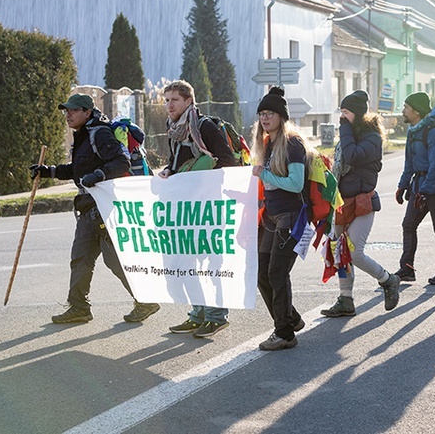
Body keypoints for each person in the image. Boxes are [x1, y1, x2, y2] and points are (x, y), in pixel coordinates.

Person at [29, 93, 160, 324]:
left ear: (87, 112)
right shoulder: (83, 135)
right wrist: (48, 171)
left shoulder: (99, 133)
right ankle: (79, 308)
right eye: (66, 110)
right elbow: (78, 168)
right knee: (80, 258)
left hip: (104, 209)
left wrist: (99, 175)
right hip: (88, 208)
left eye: (73, 110)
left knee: (115, 260)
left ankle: (146, 300)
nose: (67, 114)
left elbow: (121, 161)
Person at [159, 80, 238, 338]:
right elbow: (176, 162)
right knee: (185, 262)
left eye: (175, 100)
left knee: (212, 263)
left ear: (189, 102)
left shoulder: (205, 127)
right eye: (167, 99)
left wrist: (200, 175)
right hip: (185, 208)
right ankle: (198, 314)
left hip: (209, 206)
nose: (169, 105)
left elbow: (229, 161)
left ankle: (217, 316)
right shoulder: (173, 128)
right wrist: (170, 171)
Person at [320, 90, 400, 317]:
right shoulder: (350, 135)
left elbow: (353, 156)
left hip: (363, 203)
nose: (342, 117)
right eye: (341, 112)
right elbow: (341, 163)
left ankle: (388, 279)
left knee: (354, 252)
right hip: (342, 202)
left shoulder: (372, 137)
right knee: (339, 252)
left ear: (357, 114)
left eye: (346, 113)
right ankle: (345, 299)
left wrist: (345, 129)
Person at [251, 86, 308, 351]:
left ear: (281, 116)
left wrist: (263, 174)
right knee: (262, 273)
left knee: (276, 273)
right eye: (261, 113)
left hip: (291, 218)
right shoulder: (268, 143)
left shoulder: (293, 143)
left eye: (270, 113)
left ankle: (284, 333)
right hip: (271, 218)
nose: (264, 118)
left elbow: (296, 184)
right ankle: (290, 319)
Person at [393, 91, 435, 286]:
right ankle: (407, 269)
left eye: (406, 107)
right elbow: (409, 164)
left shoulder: (433, 131)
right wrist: (402, 186)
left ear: (417, 111)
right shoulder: (413, 130)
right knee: (408, 225)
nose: (403, 111)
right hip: (419, 187)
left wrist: (425, 191)